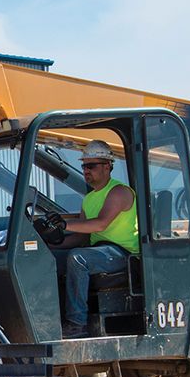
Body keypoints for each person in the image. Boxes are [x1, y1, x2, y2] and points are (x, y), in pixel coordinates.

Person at [46, 140, 140, 339]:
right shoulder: (89, 199)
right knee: (47, 259)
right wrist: (52, 244)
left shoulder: (119, 192)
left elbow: (100, 224)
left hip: (122, 254)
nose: (86, 171)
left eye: (91, 166)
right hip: (99, 252)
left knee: (78, 259)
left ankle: (77, 323)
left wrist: (64, 224)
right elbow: (81, 237)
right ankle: (49, 320)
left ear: (107, 166)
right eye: (84, 166)